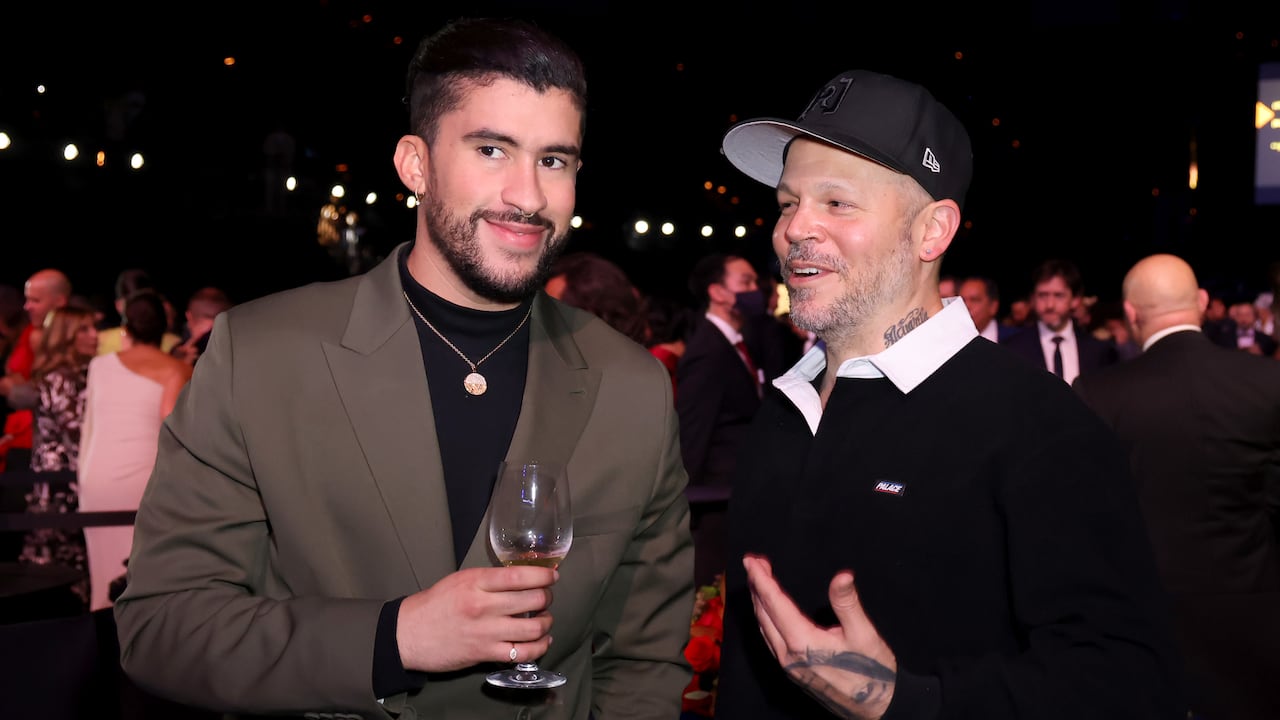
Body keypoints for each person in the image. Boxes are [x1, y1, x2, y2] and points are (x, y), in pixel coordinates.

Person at [115, 17, 695, 718]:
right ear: (415, 165)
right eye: (491, 149)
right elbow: (162, 627)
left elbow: (642, 660)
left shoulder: (631, 387)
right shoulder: (260, 355)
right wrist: (393, 639)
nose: (529, 196)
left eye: (554, 160)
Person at [714, 68, 1184, 718]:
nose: (794, 229)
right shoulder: (782, 409)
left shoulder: (1037, 427)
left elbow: (1130, 681)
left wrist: (903, 703)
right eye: (788, 202)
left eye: (836, 202)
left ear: (932, 231)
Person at [1073, 253, 1280, 720]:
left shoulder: (1099, 393)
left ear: (1130, 314)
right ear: (1203, 303)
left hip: (1147, 629)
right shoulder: (1269, 381)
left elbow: (1088, 523)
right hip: (1257, 632)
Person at [79, 289, 193, 611]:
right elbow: (173, 426)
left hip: (96, 480)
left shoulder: (99, 366)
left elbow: (89, 429)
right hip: (145, 479)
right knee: (144, 577)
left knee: (103, 579)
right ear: (165, 330)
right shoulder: (176, 370)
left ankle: (101, 651)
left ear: (125, 328)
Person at [1002, 258, 1119, 384]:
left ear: (1075, 300)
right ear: (1033, 298)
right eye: (1042, 295)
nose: (1050, 305)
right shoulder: (1013, 349)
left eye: (1058, 295)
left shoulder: (1098, 350)